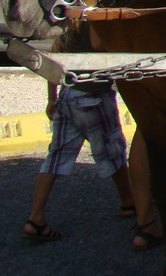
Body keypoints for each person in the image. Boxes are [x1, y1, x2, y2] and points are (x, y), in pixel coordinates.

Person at [22, 28, 136, 243]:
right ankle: (128, 202)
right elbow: (101, 46)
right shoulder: (95, 19)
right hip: (94, 96)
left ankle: (35, 217)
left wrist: (51, 99)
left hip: (68, 94)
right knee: (113, 150)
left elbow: (53, 62)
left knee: (56, 156)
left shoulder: (67, 24)